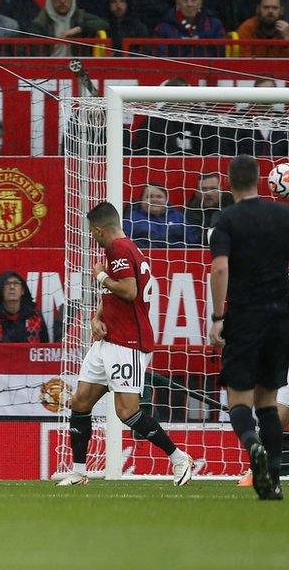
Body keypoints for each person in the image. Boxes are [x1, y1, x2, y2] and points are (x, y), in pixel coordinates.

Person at [57, 201, 194, 486]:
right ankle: (80, 472)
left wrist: (101, 275)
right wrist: (96, 318)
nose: (92, 238)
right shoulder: (122, 249)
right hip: (108, 340)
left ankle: (178, 457)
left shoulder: (119, 249)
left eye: (92, 233)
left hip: (127, 342)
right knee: (80, 401)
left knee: (127, 412)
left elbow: (129, 291)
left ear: (98, 230)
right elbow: (114, 295)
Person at [208, 155, 289, 500]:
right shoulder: (283, 215)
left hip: (245, 316)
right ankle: (270, 480)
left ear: (229, 182)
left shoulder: (226, 219)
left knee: (239, 401)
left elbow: (220, 269)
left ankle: (251, 443)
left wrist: (216, 318)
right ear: (260, 180)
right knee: (268, 402)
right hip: (281, 317)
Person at [0, 271, 50, 343]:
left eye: (16, 283)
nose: (12, 287)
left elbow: (44, 348)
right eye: (7, 284)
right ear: (1, 290)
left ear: (22, 290)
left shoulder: (35, 316)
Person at [28, 0, 109, 56]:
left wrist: (78, 29)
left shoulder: (80, 16)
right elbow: (36, 52)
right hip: (50, 70)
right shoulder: (40, 22)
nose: (62, 1)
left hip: (78, 68)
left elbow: (104, 24)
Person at [122, 183, 197, 248]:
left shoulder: (178, 217)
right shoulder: (131, 218)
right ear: (141, 200)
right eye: (149, 196)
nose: (154, 200)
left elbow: (192, 240)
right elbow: (126, 241)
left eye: (159, 197)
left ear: (166, 200)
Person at [153, 0, 226, 57]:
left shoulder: (214, 25)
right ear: (178, 4)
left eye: (193, 0)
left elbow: (221, 54)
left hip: (208, 71)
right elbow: (160, 57)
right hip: (175, 71)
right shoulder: (163, 27)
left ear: (200, 4)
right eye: (185, 0)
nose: (189, 4)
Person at [184, 172, 234, 243]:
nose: (208, 193)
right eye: (204, 189)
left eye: (213, 189)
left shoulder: (233, 207)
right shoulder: (189, 212)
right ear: (197, 192)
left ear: (221, 191)